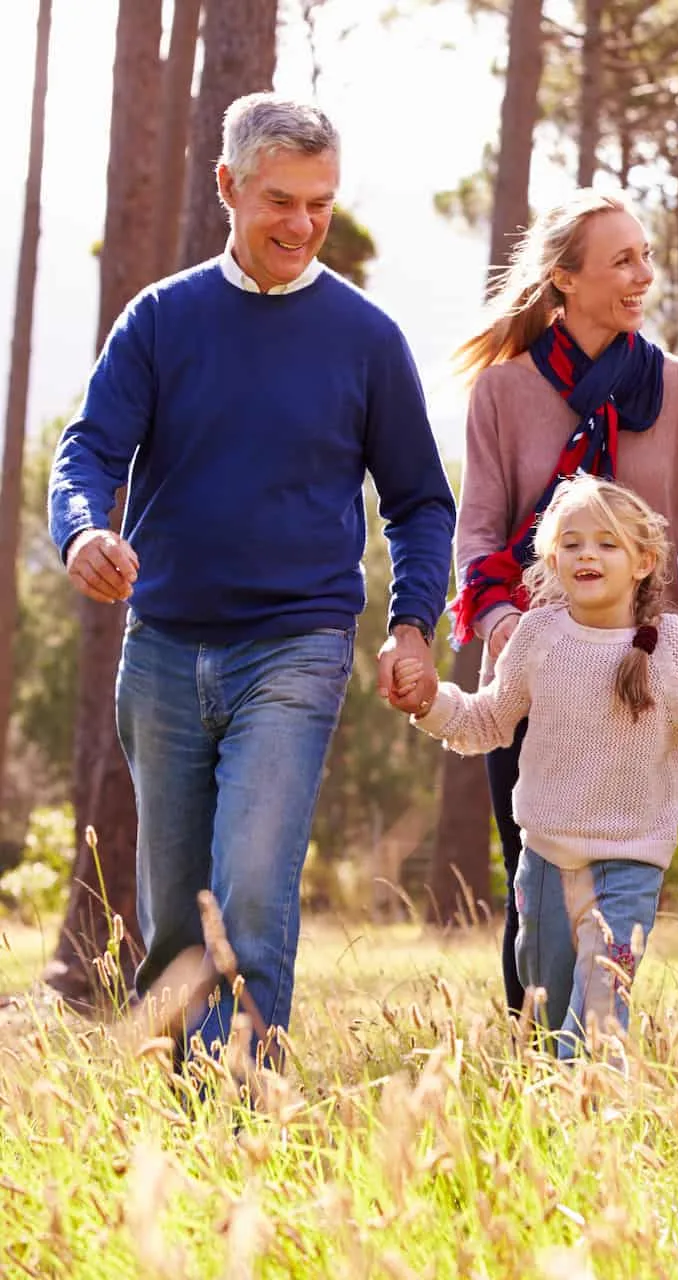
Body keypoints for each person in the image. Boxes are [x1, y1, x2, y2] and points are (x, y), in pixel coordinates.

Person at [46, 94, 455, 1061]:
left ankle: (247, 1100)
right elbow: (88, 452)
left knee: (255, 889)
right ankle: (188, 1107)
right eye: (281, 200)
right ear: (228, 187)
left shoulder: (366, 339)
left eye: (320, 203)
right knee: (179, 907)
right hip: (163, 652)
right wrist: (79, 535)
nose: (303, 225)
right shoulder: (160, 319)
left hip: (298, 644)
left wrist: (410, 624)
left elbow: (420, 501)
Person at [450, 189, 678, 1015]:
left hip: (640, 668)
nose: (643, 275)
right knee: (533, 880)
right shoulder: (502, 392)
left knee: (623, 882)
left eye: (646, 256)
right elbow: (479, 534)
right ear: (564, 278)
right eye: (622, 260)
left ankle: (596, 1052)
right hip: (537, 669)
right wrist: (507, 635)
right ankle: (533, 1060)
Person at [392, 477, 678, 1055]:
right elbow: (487, 722)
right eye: (572, 544)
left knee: (597, 1026)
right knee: (547, 1021)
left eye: (606, 543)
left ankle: (595, 1125)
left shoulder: (670, 648)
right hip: (545, 865)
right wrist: (430, 703)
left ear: (644, 561)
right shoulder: (539, 635)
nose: (587, 555)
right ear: (552, 557)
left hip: (627, 869)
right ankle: (556, 1130)